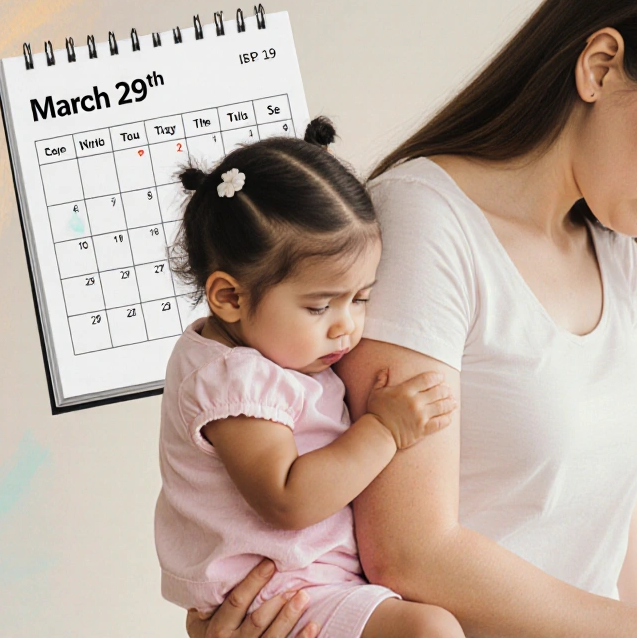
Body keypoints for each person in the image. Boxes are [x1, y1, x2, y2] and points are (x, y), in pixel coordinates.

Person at [188, 0, 637, 635]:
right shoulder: (427, 222)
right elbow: (411, 552)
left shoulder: (608, 247)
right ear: (601, 66)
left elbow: (608, 516)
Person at [156, 116, 466, 638]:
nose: (347, 325)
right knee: (428, 631)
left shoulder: (270, 353)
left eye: (361, 298)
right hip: (280, 598)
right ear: (229, 298)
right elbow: (288, 500)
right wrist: (384, 430)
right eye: (320, 305)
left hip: (304, 585)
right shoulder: (233, 381)